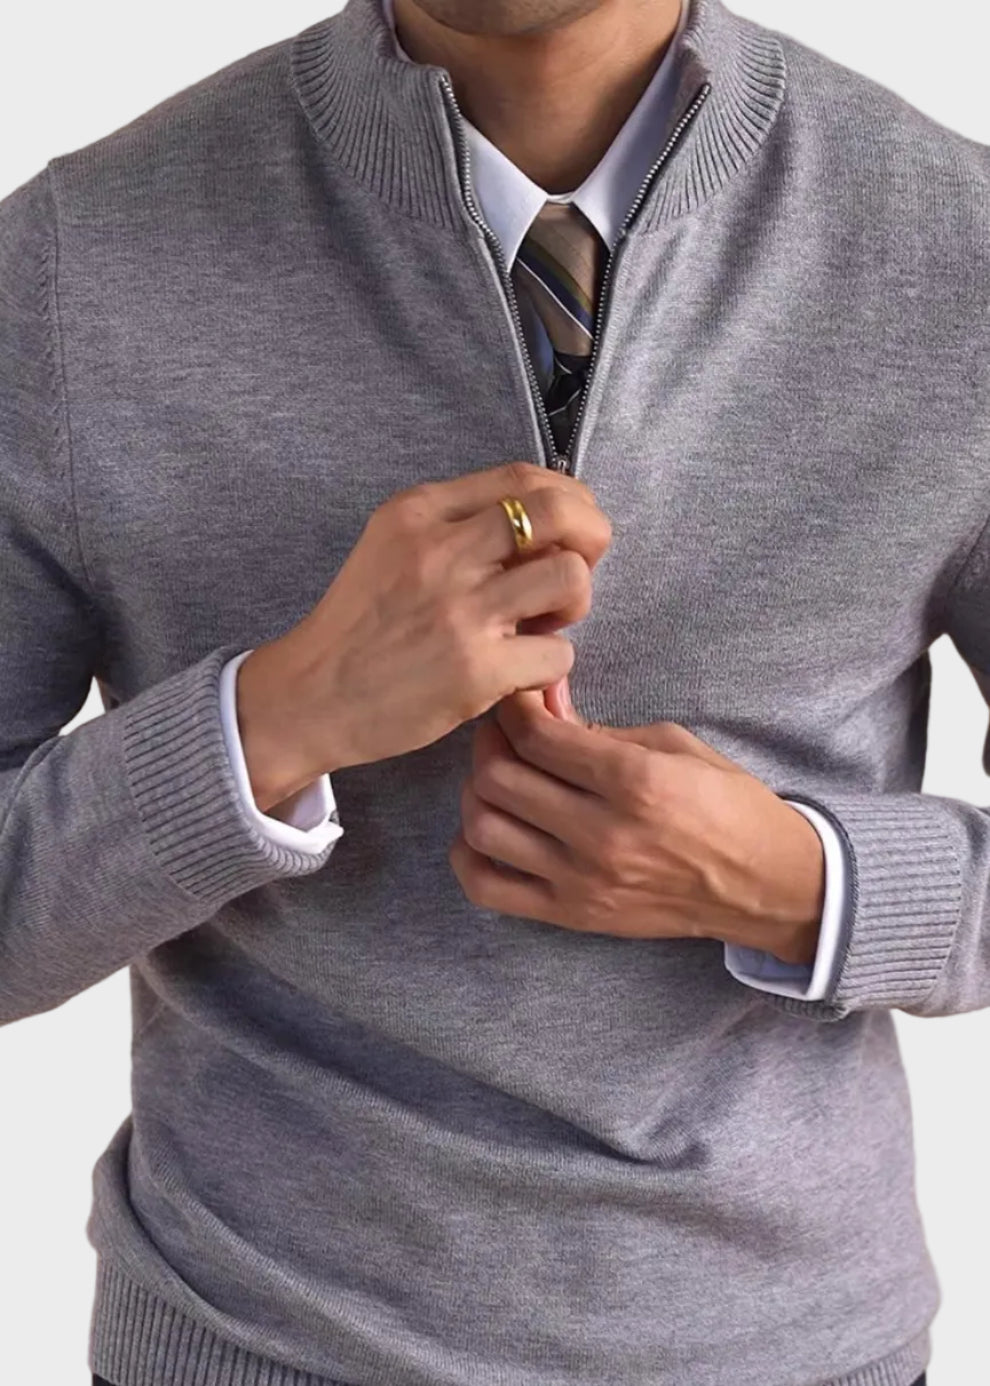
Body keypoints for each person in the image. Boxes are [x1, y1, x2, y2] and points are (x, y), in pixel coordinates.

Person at [4, 0, 986, 1378]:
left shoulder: (958, 249)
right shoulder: (68, 264)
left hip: (795, 1344)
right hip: (246, 1336)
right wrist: (272, 721)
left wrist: (805, 883)